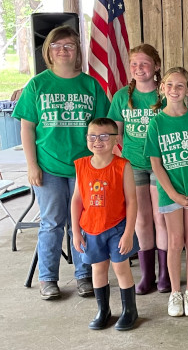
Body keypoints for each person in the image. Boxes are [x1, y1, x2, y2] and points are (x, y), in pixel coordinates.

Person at [12, 25, 110, 300]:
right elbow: (27, 128)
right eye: (57, 46)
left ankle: (83, 275)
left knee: (81, 221)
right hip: (49, 166)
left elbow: (103, 126)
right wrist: (32, 165)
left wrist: (102, 161)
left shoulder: (90, 85)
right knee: (52, 222)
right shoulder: (38, 84)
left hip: (84, 167)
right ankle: (48, 278)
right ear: (49, 52)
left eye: (69, 45)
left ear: (77, 51)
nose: (63, 50)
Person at [144, 67, 188, 317]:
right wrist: (172, 194)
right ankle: (175, 292)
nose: (175, 90)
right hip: (171, 192)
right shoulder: (157, 123)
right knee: (175, 241)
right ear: (162, 88)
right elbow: (156, 164)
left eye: (180, 85)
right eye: (170, 85)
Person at [108, 44, 169, 295]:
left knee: (160, 217)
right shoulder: (123, 96)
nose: (139, 69)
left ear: (156, 66)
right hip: (133, 165)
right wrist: (117, 159)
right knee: (141, 220)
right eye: (134, 64)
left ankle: (165, 273)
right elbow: (114, 133)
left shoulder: (165, 94)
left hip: (162, 165)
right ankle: (147, 275)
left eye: (144, 64)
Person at [71, 118, 140, 331]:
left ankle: (130, 310)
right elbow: (77, 200)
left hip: (117, 228)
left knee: (121, 268)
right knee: (98, 269)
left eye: (103, 136)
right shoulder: (81, 165)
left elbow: (132, 201)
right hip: (91, 229)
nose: (97, 141)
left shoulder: (122, 166)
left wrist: (128, 233)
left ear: (115, 139)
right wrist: (76, 232)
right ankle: (104, 310)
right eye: (92, 136)